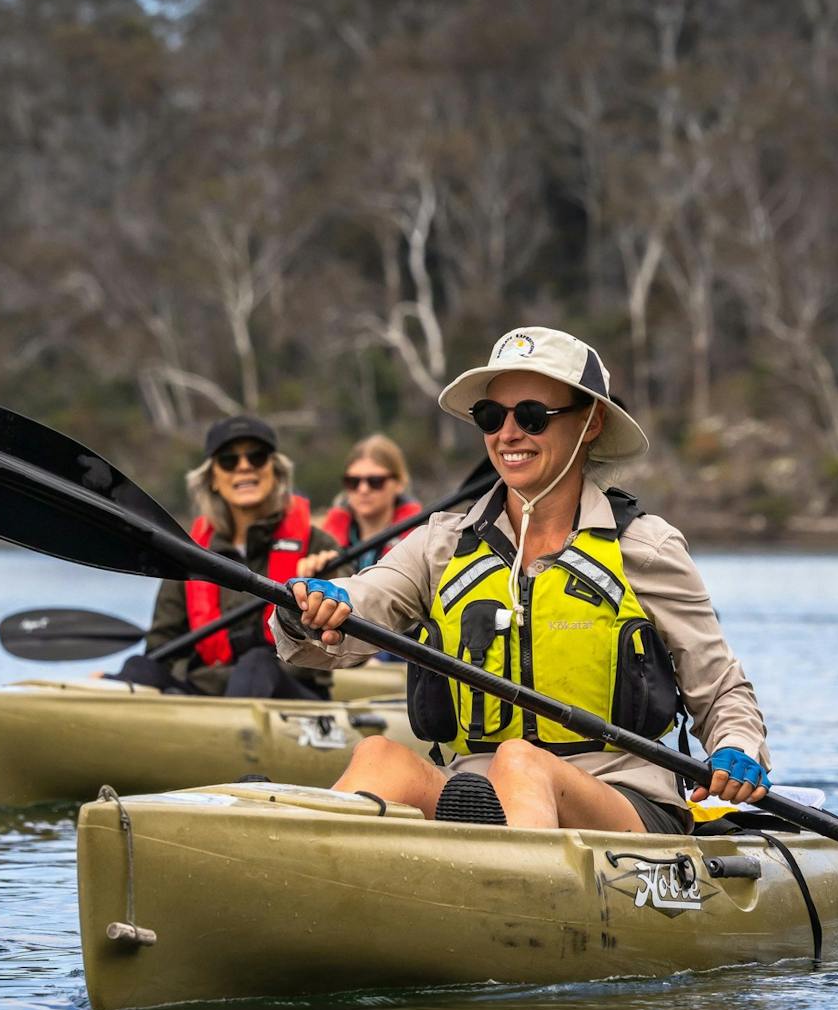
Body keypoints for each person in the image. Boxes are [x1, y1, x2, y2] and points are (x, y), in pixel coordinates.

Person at [271, 326, 771, 832]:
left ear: (591, 422)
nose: (508, 435)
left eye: (532, 416)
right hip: (475, 789)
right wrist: (306, 609)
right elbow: (349, 613)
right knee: (379, 756)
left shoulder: (645, 549)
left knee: (521, 761)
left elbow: (721, 688)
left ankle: (505, 890)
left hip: (622, 801)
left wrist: (736, 747)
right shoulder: (441, 544)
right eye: (491, 417)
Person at [114, 414, 340, 699]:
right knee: (140, 667)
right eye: (229, 461)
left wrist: (323, 583)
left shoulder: (318, 546)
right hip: (211, 690)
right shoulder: (188, 554)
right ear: (213, 480)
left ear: (276, 472)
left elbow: (343, 642)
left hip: (291, 692)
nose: (244, 467)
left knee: (256, 665)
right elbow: (163, 645)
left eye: (256, 458)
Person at [305, 435, 422, 573]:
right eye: (353, 482)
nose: (363, 489)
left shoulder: (422, 538)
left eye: (375, 481)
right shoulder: (317, 539)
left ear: (399, 484)